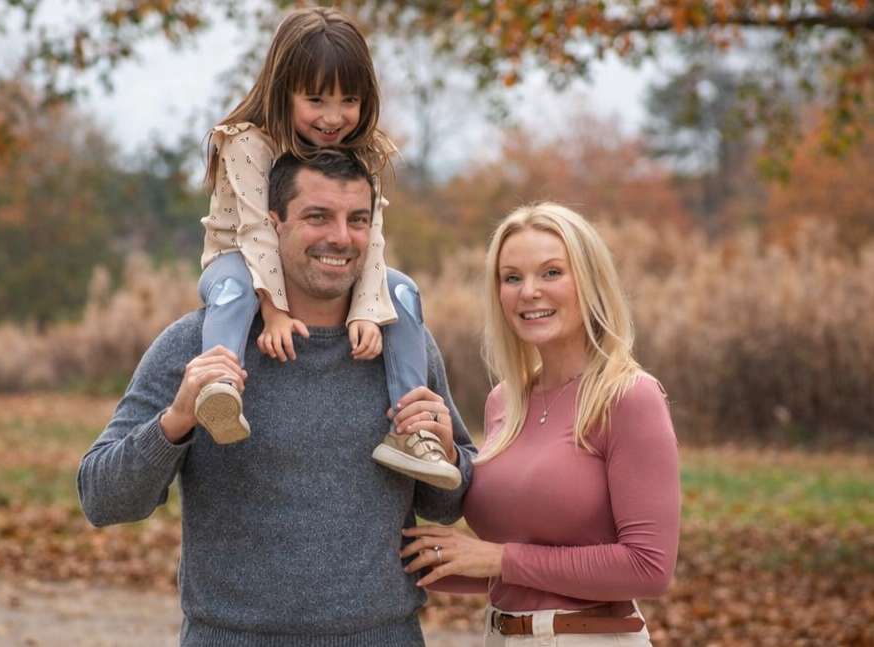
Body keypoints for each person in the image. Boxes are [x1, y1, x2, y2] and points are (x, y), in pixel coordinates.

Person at [77, 150, 477, 646]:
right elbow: (101, 499)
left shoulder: (401, 344)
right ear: (273, 225)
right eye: (317, 217)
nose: (341, 237)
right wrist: (176, 420)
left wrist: (452, 454)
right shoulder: (198, 344)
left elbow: (447, 504)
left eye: (357, 220)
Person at [194, 6, 459, 488]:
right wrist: (273, 312)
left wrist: (366, 308)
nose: (333, 117)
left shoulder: (362, 152)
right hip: (236, 261)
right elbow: (256, 233)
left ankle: (411, 428)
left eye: (349, 100)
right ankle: (220, 385)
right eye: (316, 99)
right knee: (232, 285)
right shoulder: (248, 142)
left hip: (321, 277)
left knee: (400, 292)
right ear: (284, 92)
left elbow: (371, 236)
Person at [400, 203, 680, 646]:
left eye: (551, 273)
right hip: (502, 635)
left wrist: (498, 559)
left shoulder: (629, 398)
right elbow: (503, 569)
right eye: (512, 277)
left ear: (590, 282)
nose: (529, 291)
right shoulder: (503, 403)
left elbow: (648, 568)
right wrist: (432, 559)